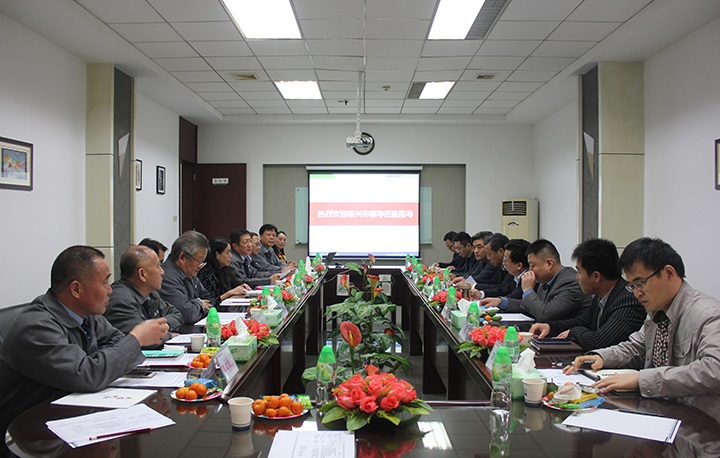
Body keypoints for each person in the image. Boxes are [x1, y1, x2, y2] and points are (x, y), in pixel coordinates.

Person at [0, 246, 169, 440]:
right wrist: (136, 338)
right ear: (76, 289)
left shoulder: (87, 314)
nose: (110, 290)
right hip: (30, 435)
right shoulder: (37, 326)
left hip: (71, 415)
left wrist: (101, 361)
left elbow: (116, 341)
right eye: (104, 282)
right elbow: (87, 375)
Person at [566, 237, 720, 398]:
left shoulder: (708, 315)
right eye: (632, 286)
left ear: (668, 273)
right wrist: (601, 357)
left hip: (695, 411)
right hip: (659, 405)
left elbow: (714, 370)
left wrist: (642, 379)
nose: (637, 293)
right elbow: (637, 347)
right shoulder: (657, 311)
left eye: (640, 283)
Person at [529, 239, 645, 351]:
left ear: (596, 276)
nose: (577, 277)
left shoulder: (627, 300)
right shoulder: (601, 296)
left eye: (579, 271)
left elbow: (599, 340)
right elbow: (580, 322)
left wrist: (573, 332)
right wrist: (550, 327)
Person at [488, 239, 591, 321]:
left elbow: (544, 314)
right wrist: (501, 302)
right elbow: (532, 306)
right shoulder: (545, 280)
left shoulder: (570, 282)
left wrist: (528, 290)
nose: (530, 270)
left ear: (549, 264)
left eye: (532, 266)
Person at [105, 245, 184, 348]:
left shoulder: (150, 293)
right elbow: (145, 339)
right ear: (142, 274)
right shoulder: (120, 300)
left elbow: (177, 315)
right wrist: (168, 335)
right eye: (158, 266)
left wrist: (162, 327)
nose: (162, 272)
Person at [158, 230, 213, 324]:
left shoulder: (190, 273)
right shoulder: (166, 277)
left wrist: (193, 303)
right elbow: (187, 314)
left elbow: (209, 301)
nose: (200, 266)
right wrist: (200, 303)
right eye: (199, 261)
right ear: (182, 257)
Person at [476, 238, 530, 305]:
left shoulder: (528, 278)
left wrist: (499, 301)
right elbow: (502, 289)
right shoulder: (512, 274)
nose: (503, 263)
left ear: (519, 265)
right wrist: (481, 294)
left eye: (505, 259)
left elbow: (513, 297)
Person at [198, 237, 250, 306]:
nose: (230, 256)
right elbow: (210, 302)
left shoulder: (224, 269)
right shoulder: (207, 274)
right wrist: (230, 293)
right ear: (217, 255)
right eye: (227, 252)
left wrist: (239, 288)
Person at [464, 233, 514, 297]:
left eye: (489, 254)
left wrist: (474, 286)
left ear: (501, 251)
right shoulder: (498, 264)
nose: (488, 258)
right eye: (474, 247)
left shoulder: (511, 266)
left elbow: (504, 289)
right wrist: (481, 293)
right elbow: (493, 283)